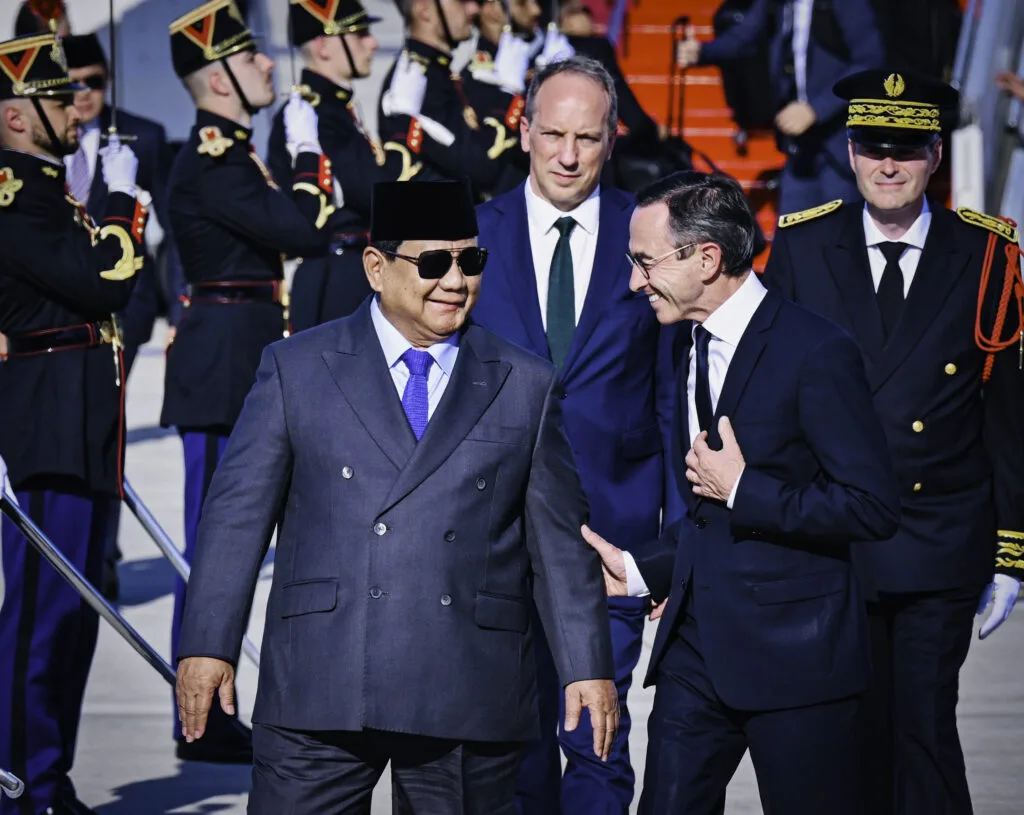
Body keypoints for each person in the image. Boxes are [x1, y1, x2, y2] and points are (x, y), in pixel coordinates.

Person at [174, 179, 618, 813]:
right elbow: (235, 519)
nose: (455, 281)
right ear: (376, 268)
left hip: (466, 680)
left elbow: (558, 545)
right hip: (322, 676)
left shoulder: (524, 382)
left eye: (470, 260)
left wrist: (586, 665)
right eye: (433, 262)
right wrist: (207, 644)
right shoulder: (297, 367)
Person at [585, 170, 902, 815]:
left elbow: (872, 506)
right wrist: (644, 568)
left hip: (797, 659)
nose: (634, 282)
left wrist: (745, 489)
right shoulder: (684, 342)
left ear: (706, 259)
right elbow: (708, 511)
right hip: (695, 654)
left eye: (645, 262)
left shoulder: (815, 350)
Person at [762, 69, 1024, 815]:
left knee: (923, 725)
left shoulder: (987, 255)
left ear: (934, 155)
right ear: (850, 152)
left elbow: (1007, 415)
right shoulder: (805, 245)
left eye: (906, 150)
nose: (888, 165)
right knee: (849, 732)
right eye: (874, 147)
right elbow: (771, 397)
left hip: (938, 537)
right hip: (834, 540)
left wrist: (1011, 549)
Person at [471, 55, 678, 815]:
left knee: (599, 747)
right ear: (523, 131)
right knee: (514, 754)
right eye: (553, 134)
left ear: (612, 139)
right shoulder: (473, 235)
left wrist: (670, 554)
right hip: (495, 539)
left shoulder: (650, 232)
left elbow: (672, 399)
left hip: (611, 543)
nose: (567, 155)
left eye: (586, 138)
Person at [160, 0, 336, 764]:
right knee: (214, 545)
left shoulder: (233, 154)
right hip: (222, 368)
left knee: (233, 543)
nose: (268, 63)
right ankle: (199, 718)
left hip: (242, 356)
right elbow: (304, 228)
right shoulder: (214, 161)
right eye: (250, 56)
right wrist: (306, 153)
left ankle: (215, 711)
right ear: (219, 78)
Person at [0, 30, 146, 815]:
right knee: (37, 621)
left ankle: (50, 779)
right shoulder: (16, 197)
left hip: (83, 422)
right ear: (16, 117)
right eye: (56, 100)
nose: (75, 108)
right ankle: (17, 784)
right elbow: (103, 283)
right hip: (45, 427)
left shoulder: (53, 192)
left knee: (75, 619)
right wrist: (122, 202)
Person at [61, 31, 183, 603]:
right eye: (71, 85)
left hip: (122, 306)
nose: (83, 95)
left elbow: (175, 229)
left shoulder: (142, 134)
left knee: (104, 425)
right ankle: (70, 543)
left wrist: (178, 303)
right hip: (55, 305)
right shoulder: (42, 134)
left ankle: (103, 550)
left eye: (93, 83)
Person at [267, 0, 421, 332]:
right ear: (323, 46)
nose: (373, 42)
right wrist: (404, 125)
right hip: (336, 280)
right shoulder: (317, 115)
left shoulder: (335, 111)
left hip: (352, 269)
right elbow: (378, 195)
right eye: (358, 34)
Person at [676, 0, 884, 212]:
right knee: (791, 226)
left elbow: (869, 61)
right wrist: (702, 52)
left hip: (839, 143)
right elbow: (743, 36)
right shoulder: (778, 3)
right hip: (799, 147)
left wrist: (815, 109)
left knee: (840, 225)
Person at [377, 0, 526, 200]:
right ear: (424, 10)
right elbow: (482, 167)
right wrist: (508, 95)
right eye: (461, 1)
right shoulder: (416, 82)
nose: (474, 8)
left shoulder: (438, 74)